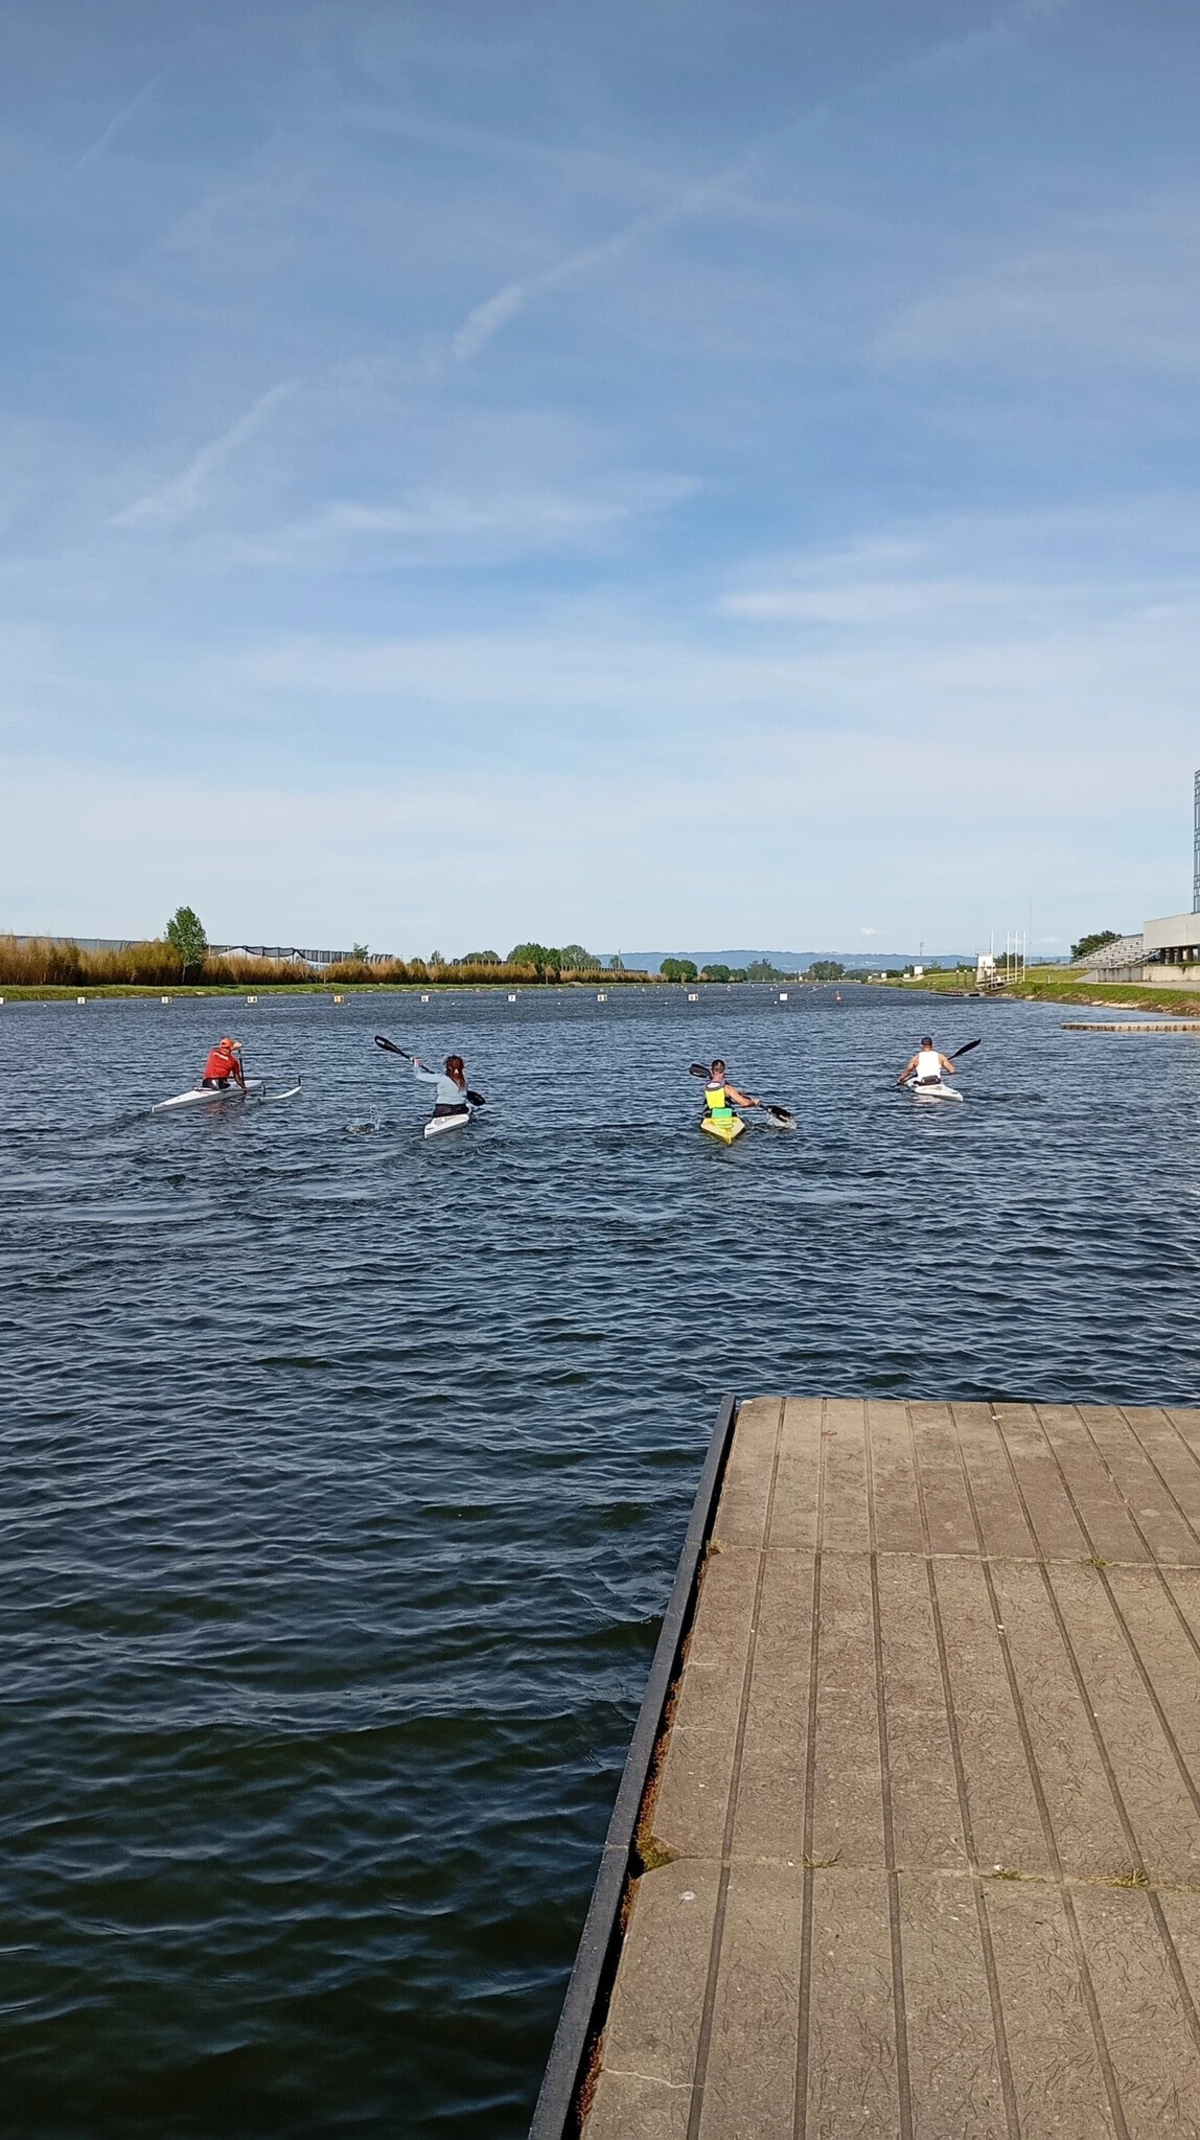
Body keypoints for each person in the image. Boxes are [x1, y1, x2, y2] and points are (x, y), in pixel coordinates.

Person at [412, 1053, 471, 1123]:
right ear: (462, 1067)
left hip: (442, 1110)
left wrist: (416, 1065)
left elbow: (419, 1075)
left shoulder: (440, 1078)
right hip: (460, 1109)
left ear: (448, 1067)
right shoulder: (464, 1081)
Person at [703, 1059, 761, 1125]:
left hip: (710, 1115)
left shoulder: (706, 1086)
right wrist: (753, 1103)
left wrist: (741, 1095)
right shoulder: (727, 1088)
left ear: (712, 1070)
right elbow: (745, 1104)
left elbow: (720, 1096)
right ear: (724, 1070)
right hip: (726, 1116)